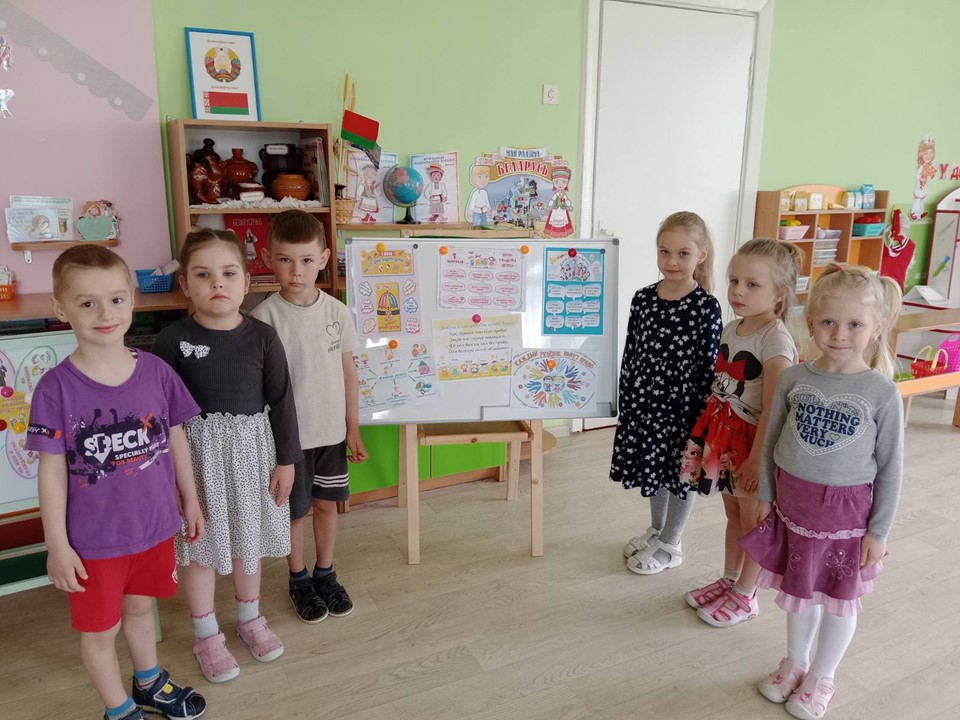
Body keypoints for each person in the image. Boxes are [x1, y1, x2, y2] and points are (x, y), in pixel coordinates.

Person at [29, 245, 206, 720]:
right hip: (93, 544)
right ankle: (119, 709)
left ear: (131, 298)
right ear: (60, 308)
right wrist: (57, 546)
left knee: (140, 610)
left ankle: (148, 682)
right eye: (87, 303)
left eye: (115, 300)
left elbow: (175, 438)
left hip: (152, 529)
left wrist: (190, 500)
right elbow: (51, 472)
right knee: (99, 632)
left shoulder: (157, 372)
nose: (105, 314)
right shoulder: (55, 389)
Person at [741, 265, 903, 719]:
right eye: (828, 321)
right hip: (793, 509)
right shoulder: (794, 378)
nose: (839, 334)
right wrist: (765, 496)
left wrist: (879, 532)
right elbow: (772, 442)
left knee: (838, 602)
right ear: (810, 321)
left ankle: (822, 677)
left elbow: (892, 469)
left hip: (846, 521)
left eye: (854, 324)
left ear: (876, 328)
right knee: (800, 593)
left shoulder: (881, 393)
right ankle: (795, 663)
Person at [152, 229, 302, 684]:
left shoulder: (263, 337)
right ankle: (206, 635)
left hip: (253, 458)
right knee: (202, 547)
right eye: (203, 274)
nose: (217, 282)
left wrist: (287, 461)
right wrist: (172, 482)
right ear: (185, 285)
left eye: (229, 273)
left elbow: (282, 401)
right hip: (195, 463)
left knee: (247, 541)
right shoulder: (172, 339)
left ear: (247, 281)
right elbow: (160, 417)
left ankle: (250, 619)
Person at [251, 209, 368, 624]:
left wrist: (352, 428)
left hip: (331, 434)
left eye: (305, 260)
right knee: (293, 512)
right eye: (285, 259)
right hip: (288, 442)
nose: (295, 271)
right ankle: (298, 577)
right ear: (268, 258)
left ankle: (326, 572)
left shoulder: (337, 312)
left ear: (323, 258)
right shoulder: (263, 319)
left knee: (327, 505)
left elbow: (348, 373)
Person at [684, 238, 802, 628]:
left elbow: (774, 408)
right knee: (733, 511)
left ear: (779, 293)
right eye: (734, 281)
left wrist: (756, 461)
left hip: (754, 445)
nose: (738, 291)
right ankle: (730, 579)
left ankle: (747, 594)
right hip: (726, 437)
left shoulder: (776, 341)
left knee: (754, 520)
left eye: (752, 284)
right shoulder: (733, 328)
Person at [610, 211, 722, 575]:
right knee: (654, 467)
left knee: (680, 475)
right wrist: (627, 398)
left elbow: (708, 366)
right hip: (646, 404)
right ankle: (658, 531)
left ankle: (672, 543)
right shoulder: (643, 298)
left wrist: (702, 419)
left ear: (701, 255)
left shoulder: (706, 307)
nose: (672, 261)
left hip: (683, 410)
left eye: (683, 253)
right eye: (664, 252)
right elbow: (632, 352)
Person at [544, 166, 574, 238]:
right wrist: (549, 206)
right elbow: (552, 200)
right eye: (557, 182)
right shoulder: (556, 194)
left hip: (562, 210)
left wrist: (569, 206)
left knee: (563, 221)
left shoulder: (564, 194)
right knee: (554, 221)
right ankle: (554, 233)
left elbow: (567, 200)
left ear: (566, 182)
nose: (560, 185)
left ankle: (562, 233)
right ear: (554, 182)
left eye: (563, 182)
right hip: (555, 209)